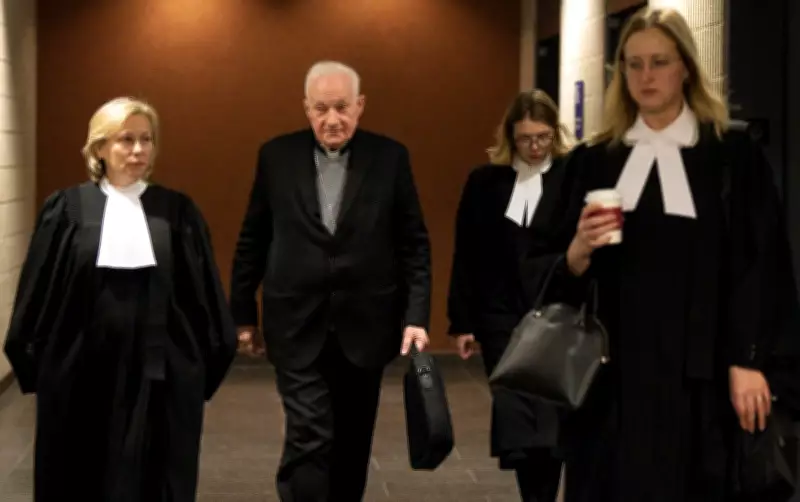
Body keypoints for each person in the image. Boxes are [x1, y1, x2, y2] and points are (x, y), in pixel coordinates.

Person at [531, 7, 789, 502]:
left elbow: (761, 267)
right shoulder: (593, 162)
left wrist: (749, 360)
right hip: (611, 381)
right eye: (634, 64)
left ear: (685, 67)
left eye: (659, 62)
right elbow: (543, 267)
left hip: (704, 378)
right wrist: (577, 251)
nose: (645, 76)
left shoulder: (731, 157)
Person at [3, 97, 238, 501]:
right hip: (80, 373)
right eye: (126, 139)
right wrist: (37, 365)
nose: (138, 150)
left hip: (158, 374)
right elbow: (37, 292)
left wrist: (201, 366)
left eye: (147, 139)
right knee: (78, 474)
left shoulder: (176, 211)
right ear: (99, 148)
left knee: (154, 473)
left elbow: (203, 297)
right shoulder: (66, 210)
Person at [230, 60, 432, 502]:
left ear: (360, 106)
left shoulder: (389, 158)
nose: (332, 119)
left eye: (342, 107)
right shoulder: (276, 157)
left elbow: (413, 243)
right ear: (306, 108)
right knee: (309, 433)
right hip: (294, 322)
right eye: (321, 109)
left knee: (352, 443)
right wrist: (242, 313)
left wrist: (416, 316)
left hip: (367, 325)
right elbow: (253, 237)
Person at [447, 89, 569, 502]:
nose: (534, 147)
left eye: (542, 137)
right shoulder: (485, 183)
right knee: (517, 418)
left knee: (551, 421)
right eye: (525, 139)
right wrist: (462, 321)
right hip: (501, 318)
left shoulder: (570, 177)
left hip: (557, 316)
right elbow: (467, 253)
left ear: (555, 133)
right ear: (510, 138)